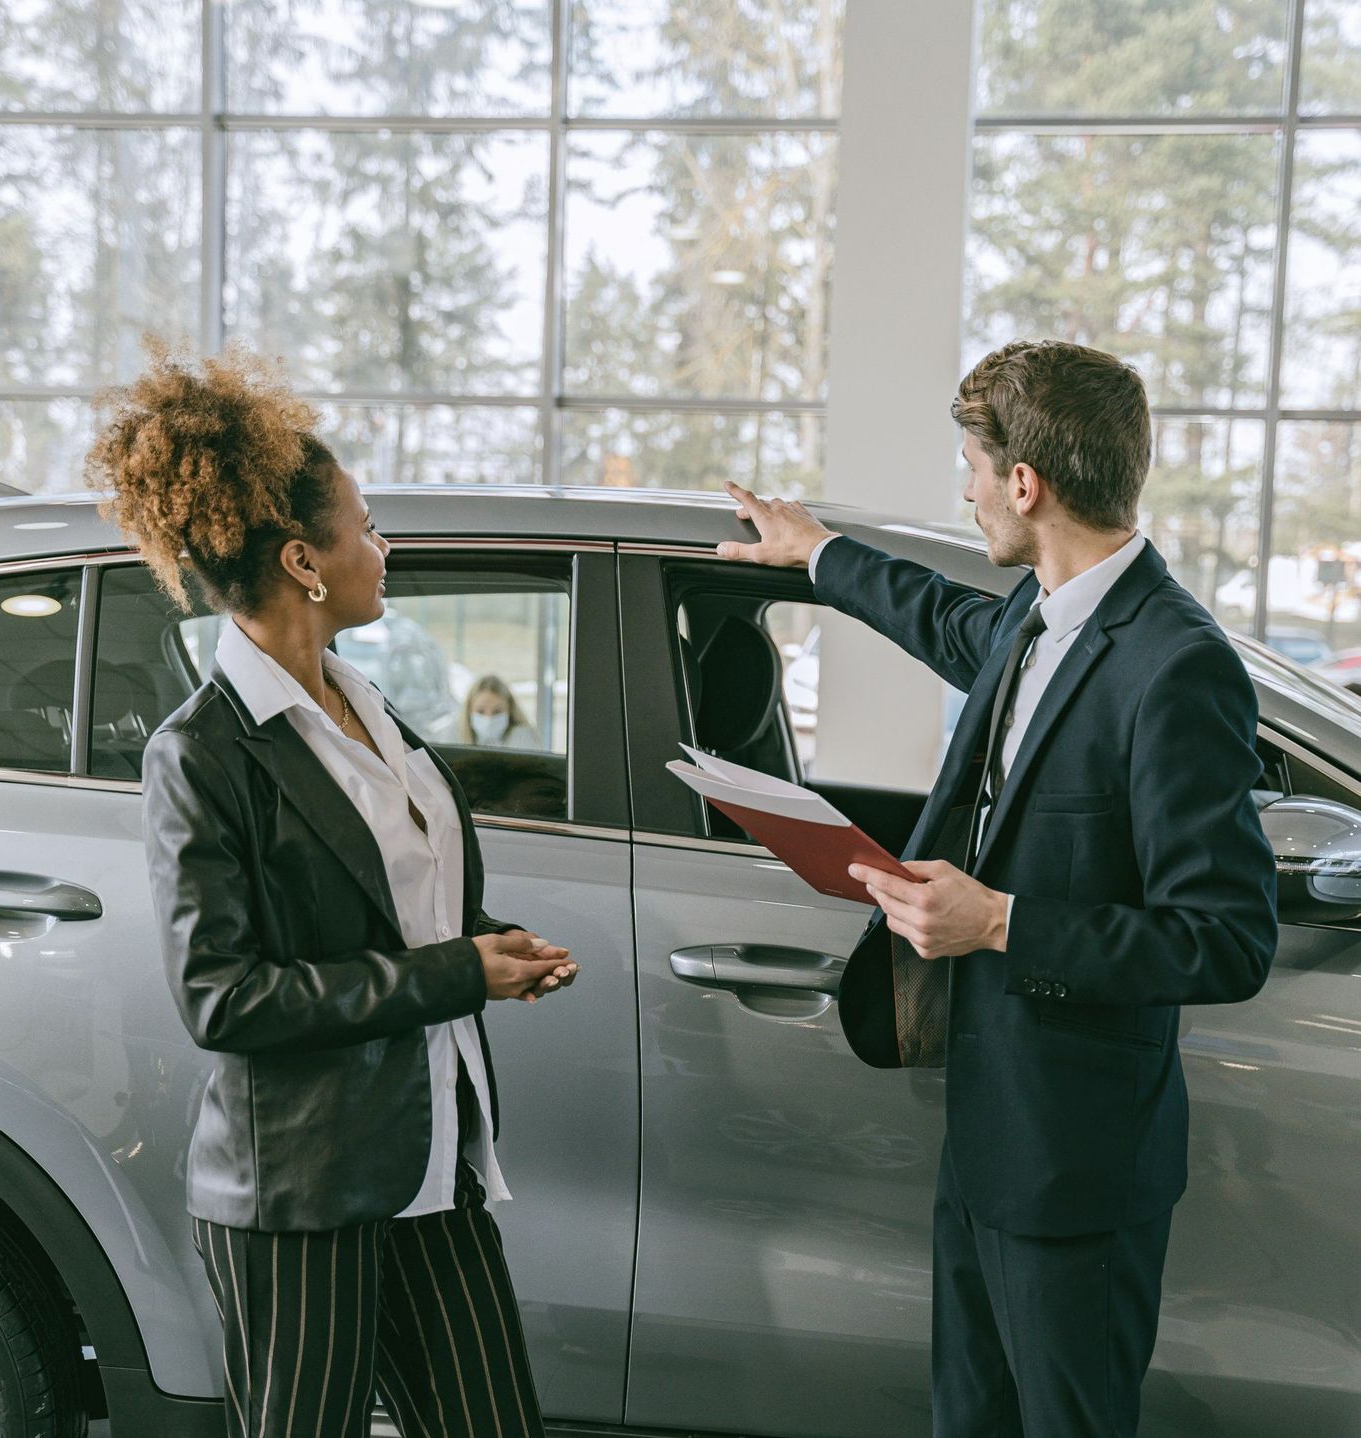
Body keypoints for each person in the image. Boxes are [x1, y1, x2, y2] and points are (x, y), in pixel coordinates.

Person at [716, 339, 1278, 1438]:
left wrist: (1002, 920)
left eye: (969, 468)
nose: (963, 488)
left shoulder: (1176, 666)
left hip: (1076, 1170)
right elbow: (942, 616)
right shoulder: (1040, 618)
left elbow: (1224, 938)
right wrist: (818, 553)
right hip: (984, 1134)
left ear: (1024, 483)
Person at [85, 339, 577, 1438]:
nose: (382, 547)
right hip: (301, 1198)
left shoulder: (367, 706)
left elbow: (392, 909)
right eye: (365, 529)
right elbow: (225, 997)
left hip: (429, 1164)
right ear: (304, 559)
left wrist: (493, 944)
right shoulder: (205, 753)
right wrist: (455, 973)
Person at [461, 674, 543, 750]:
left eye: (497, 711)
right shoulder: (452, 736)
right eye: (480, 711)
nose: (488, 718)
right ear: (469, 710)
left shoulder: (524, 738)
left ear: (510, 709)